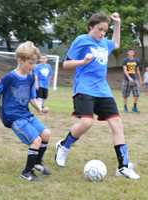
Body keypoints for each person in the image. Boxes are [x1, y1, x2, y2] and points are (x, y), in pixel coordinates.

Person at [55, 12, 140, 180]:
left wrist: (117, 24)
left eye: (104, 31)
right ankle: (64, 146)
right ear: (90, 28)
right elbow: (65, 64)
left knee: (117, 124)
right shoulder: (81, 40)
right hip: (84, 88)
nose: (102, 33)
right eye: (99, 29)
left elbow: (115, 43)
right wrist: (82, 62)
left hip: (103, 90)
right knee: (86, 122)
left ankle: (123, 166)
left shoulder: (104, 43)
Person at [0, 41, 51, 182]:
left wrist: (40, 108)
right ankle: (26, 172)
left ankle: (37, 163)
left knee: (46, 134)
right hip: (13, 117)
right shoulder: (10, 78)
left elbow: (31, 97)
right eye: (30, 63)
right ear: (20, 60)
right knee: (36, 140)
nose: (32, 66)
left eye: (34, 63)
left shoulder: (31, 77)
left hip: (25, 114)